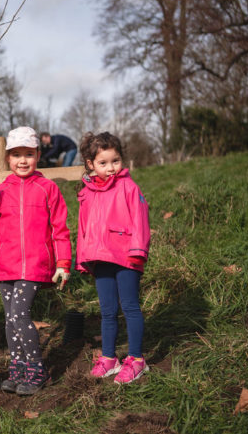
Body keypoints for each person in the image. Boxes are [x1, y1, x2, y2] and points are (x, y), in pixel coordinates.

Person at [0, 126, 72, 396]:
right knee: (10, 321)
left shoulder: (48, 188)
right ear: (8, 158)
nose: (23, 160)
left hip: (35, 265)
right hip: (6, 266)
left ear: (38, 155)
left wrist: (63, 263)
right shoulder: (1, 191)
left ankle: (37, 369)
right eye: (16, 155)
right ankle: (18, 368)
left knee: (19, 314)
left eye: (29, 154)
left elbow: (60, 229)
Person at [75, 131, 151, 384]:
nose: (111, 168)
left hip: (127, 255)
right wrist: (83, 258)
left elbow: (140, 220)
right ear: (90, 164)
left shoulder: (128, 187)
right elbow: (83, 227)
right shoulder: (86, 193)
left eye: (115, 161)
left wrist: (138, 251)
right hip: (100, 257)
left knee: (129, 306)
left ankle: (137, 359)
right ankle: (109, 358)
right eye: (103, 163)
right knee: (107, 310)